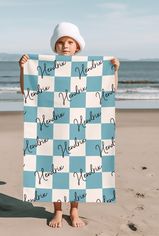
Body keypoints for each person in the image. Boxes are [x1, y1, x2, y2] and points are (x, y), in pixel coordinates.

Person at [19, 22, 120, 228]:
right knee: (53, 166)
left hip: (80, 127)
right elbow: (27, 92)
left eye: (69, 42)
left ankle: (74, 211)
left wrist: (114, 70)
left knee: (78, 169)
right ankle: (57, 211)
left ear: (77, 46)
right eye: (61, 42)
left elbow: (108, 91)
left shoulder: (89, 68)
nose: (65, 46)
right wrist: (24, 69)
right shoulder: (46, 68)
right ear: (55, 46)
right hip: (52, 127)